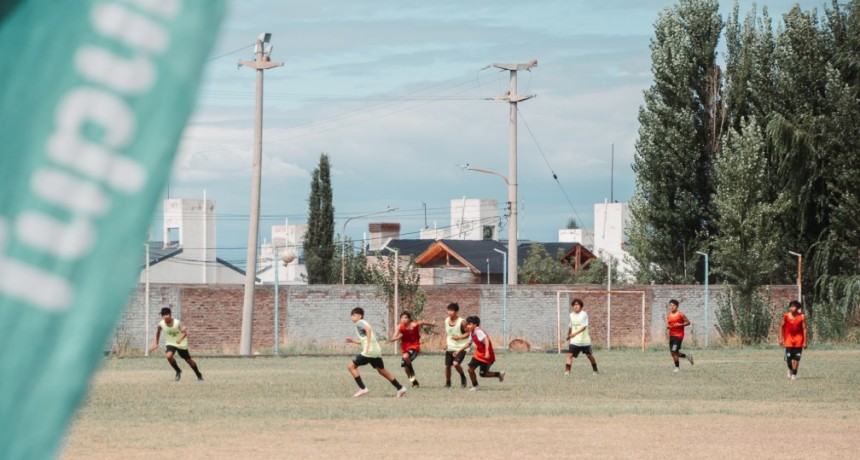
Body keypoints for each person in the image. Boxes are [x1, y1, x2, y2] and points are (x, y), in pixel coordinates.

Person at [345, 307, 407, 398]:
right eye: (352, 315)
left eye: (354, 315)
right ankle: (400, 388)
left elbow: (368, 331)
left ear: (360, 316)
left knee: (351, 366)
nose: (352, 317)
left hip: (369, 352)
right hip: (376, 351)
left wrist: (368, 345)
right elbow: (365, 339)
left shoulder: (359, 323)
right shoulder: (364, 322)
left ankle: (363, 388)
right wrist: (353, 341)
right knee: (381, 370)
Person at [149, 307, 203, 381]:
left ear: (170, 314)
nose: (165, 316)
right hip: (171, 343)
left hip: (181, 343)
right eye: (163, 315)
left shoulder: (177, 323)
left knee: (188, 360)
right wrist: (156, 343)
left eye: (167, 314)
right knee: (168, 356)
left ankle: (198, 374)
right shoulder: (160, 324)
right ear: (162, 316)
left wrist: (180, 339)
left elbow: (185, 333)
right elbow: (158, 332)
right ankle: (178, 370)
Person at [457, 315, 504, 391]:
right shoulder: (472, 333)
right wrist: (459, 351)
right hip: (478, 355)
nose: (468, 326)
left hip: (486, 356)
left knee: (483, 374)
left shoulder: (478, 331)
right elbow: (468, 344)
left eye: (470, 324)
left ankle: (499, 374)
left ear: (475, 325)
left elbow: (486, 339)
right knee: (470, 369)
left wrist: (487, 352)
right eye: (467, 324)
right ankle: (475, 386)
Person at [388, 311, 435, 388]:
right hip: (405, 348)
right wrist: (398, 337)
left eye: (406, 317)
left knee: (405, 357)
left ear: (409, 319)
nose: (403, 319)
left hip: (414, 346)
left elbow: (422, 322)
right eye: (402, 318)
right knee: (405, 370)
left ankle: (412, 370)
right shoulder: (399, 326)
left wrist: (432, 324)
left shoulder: (414, 324)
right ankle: (414, 383)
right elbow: (392, 338)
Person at [564, 298, 598, 376]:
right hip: (574, 341)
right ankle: (567, 372)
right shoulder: (571, 315)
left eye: (577, 304)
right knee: (569, 355)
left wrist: (574, 334)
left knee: (589, 356)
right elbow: (570, 326)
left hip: (584, 340)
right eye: (574, 305)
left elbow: (584, 327)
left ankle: (595, 369)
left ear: (581, 306)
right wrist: (568, 335)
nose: (576, 306)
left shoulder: (584, 314)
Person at [779, 300, 808, 381]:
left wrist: (805, 342)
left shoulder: (802, 316)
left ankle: (794, 374)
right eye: (791, 306)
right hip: (788, 340)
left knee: (796, 358)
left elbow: (804, 329)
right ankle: (790, 369)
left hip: (799, 340)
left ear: (798, 308)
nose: (791, 308)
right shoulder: (786, 316)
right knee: (788, 359)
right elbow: (781, 327)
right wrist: (781, 339)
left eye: (793, 306)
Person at [443, 302, 470, 388]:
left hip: (461, 347)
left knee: (455, 364)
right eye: (448, 310)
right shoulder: (446, 320)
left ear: (456, 312)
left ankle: (463, 377)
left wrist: (459, 337)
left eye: (452, 310)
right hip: (450, 347)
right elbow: (447, 333)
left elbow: (468, 333)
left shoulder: (462, 322)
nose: (449, 312)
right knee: (447, 366)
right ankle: (448, 383)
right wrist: (445, 343)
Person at [667, 299, 693, 372]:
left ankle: (677, 368)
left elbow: (688, 322)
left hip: (678, 336)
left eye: (674, 305)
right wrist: (669, 327)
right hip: (671, 335)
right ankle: (687, 357)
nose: (672, 307)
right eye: (671, 305)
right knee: (673, 353)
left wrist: (680, 324)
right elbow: (670, 324)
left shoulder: (680, 314)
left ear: (677, 306)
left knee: (674, 351)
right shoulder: (668, 315)